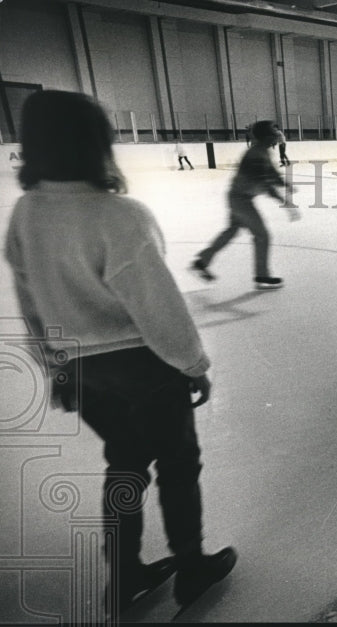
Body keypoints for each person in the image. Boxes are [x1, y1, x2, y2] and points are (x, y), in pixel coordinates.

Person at [5, 90, 236, 617]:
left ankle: (125, 574)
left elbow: (29, 297)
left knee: (125, 466)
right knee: (177, 465)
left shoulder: (26, 213)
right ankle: (191, 566)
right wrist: (193, 364)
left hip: (80, 369)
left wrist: (54, 363)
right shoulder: (119, 214)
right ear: (97, 143)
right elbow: (155, 304)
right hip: (141, 366)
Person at [191, 121, 299, 289]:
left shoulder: (262, 152)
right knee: (262, 235)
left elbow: (271, 173)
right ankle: (262, 276)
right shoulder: (256, 155)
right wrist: (286, 203)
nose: (277, 137)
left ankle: (202, 262)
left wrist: (285, 184)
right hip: (241, 200)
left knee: (231, 231)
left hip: (237, 197)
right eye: (273, 133)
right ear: (266, 136)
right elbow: (265, 184)